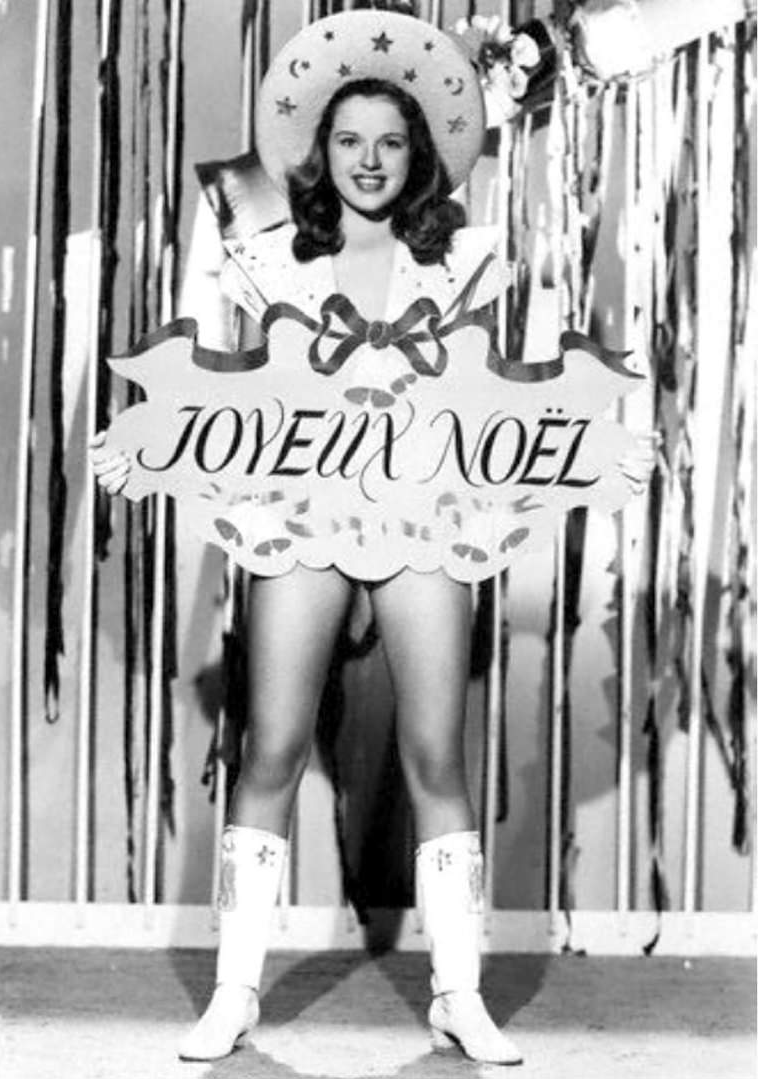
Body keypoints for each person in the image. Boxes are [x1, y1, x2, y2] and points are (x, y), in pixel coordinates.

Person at [91, 9, 652, 1066]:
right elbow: (210, 388)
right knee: (268, 744)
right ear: (319, 152)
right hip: (299, 511)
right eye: (347, 141)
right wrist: (143, 448)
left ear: (419, 156)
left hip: (424, 516)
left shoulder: (472, 260)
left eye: (389, 143)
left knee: (435, 750)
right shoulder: (265, 257)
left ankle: (455, 993)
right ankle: (234, 992)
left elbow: (525, 396)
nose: (367, 161)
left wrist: (601, 452)